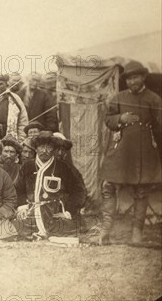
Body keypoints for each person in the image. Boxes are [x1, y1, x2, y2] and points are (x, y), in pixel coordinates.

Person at [99, 61, 162, 245]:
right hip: (120, 150)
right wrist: (120, 118)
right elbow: (108, 120)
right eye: (128, 78)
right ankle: (105, 231)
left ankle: (137, 234)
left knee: (141, 191)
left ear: (143, 77)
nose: (132, 81)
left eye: (135, 77)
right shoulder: (118, 97)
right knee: (108, 187)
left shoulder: (154, 99)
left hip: (143, 151)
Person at [16, 132, 87, 240]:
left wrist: (68, 211)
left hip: (55, 216)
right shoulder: (27, 167)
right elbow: (17, 190)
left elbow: (79, 191)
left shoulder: (63, 167)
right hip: (31, 214)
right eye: (41, 147)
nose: (44, 150)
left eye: (48, 147)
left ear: (53, 149)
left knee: (77, 233)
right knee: (9, 230)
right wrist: (21, 206)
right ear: (35, 148)